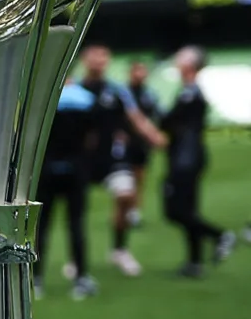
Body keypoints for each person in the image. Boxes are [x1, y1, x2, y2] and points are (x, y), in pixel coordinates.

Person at [80, 45, 165, 276]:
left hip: (112, 158)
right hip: (81, 160)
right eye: (94, 57)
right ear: (84, 60)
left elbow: (136, 118)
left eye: (103, 57)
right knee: (75, 209)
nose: (98, 61)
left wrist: (155, 136)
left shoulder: (117, 91)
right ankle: (76, 261)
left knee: (127, 195)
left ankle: (119, 249)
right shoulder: (73, 88)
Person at [161, 46, 236, 277]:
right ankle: (194, 263)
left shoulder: (189, 94)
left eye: (181, 57)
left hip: (185, 159)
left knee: (175, 210)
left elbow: (169, 122)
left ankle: (220, 236)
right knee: (188, 209)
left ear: (190, 65)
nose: (177, 60)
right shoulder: (190, 91)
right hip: (191, 157)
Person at [34, 79, 98, 300]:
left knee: (41, 226)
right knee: (76, 224)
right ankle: (80, 278)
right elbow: (93, 137)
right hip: (77, 168)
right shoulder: (86, 99)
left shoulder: (44, 97)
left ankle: (36, 278)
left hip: (47, 168)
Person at [126, 61, 160, 227]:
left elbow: (157, 114)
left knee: (139, 177)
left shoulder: (149, 95)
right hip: (126, 142)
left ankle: (134, 211)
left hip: (142, 143)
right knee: (126, 177)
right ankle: (126, 210)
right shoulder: (124, 93)